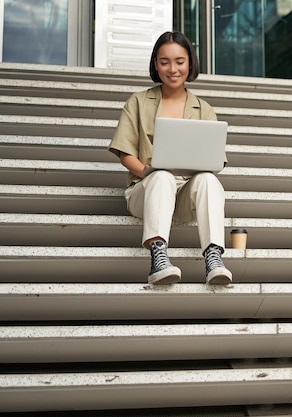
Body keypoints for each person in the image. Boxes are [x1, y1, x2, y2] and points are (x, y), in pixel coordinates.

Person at [108, 31, 232, 286]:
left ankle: (213, 257)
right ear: (155, 64)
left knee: (208, 180)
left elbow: (215, 161)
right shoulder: (138, 101)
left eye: (179, 61)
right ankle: (158, 256)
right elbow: (124, 152)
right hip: (145, 190)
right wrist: (146, 171)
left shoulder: (204, 109)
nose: (173, 69)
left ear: (190, 63)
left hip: (185, 194)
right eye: (164, 62)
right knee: (161, 175)